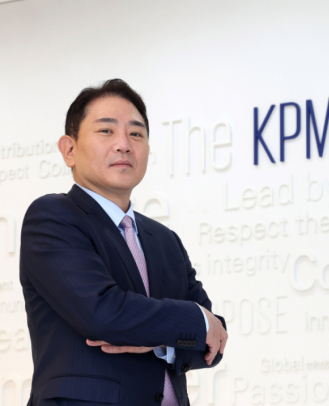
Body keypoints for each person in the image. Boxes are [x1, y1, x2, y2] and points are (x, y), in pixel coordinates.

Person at [20, 79, 228, 406]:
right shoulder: (53, 216)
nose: (124, 145)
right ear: (69, 150)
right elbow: (103, 313)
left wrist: (158, 342)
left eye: (136, 134)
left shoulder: (165, 240)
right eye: (106, 131)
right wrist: (194, 322)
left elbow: (214, 342)